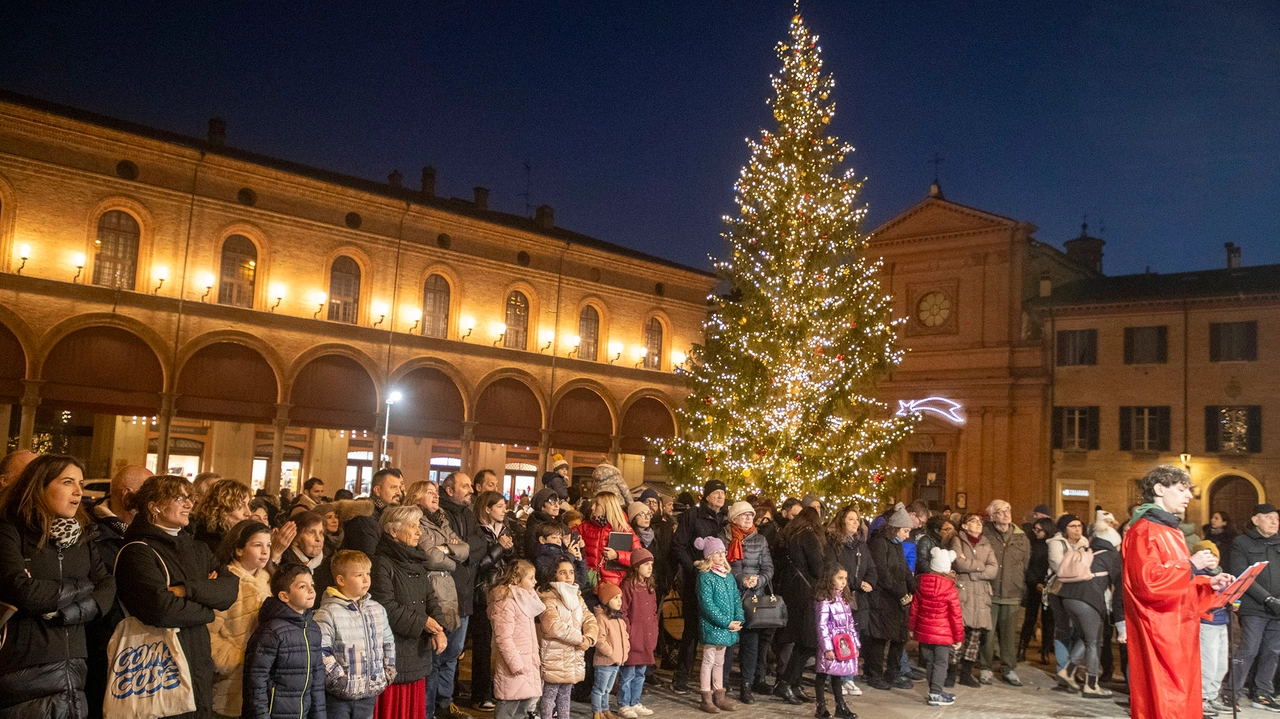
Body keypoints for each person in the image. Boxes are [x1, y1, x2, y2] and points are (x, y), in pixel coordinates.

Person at [0, 453, 116, 719]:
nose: (78, 491)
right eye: (67, 482)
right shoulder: (11, 530)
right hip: (24, 674)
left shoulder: (82, 537)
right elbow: (23, 592)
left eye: (81, 483)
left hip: (74, 671)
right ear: (40, 485)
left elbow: (107, 589)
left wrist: (67, 614)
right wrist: (85, 585)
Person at [115, 474, 239, 719]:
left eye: (190, 498)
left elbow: (229, 590)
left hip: (198, 664)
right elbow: (161, 609)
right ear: (154, 506)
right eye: (180, 498)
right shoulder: (138, 551)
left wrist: (186, 591)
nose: (189, 505)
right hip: (159, 669)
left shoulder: (197, 548)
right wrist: (206, 609)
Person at [1123, 465, 1233, 719]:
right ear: (1160, 489)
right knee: (1168, 699)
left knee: (1182, 696)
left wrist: (1206, 582)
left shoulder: (1170, 530)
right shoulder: (1144, 530)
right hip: (1161, 630)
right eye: (1182, 489)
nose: (1188, 496)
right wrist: (1192, 566)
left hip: (1179, 627)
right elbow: (1147, 583)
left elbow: (1177, 577)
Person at [85, 463, 152, 719]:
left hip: (142, 652)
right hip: (106, 648)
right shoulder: (91, 533)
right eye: (149, 495)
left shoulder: (148, 533)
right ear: (127, 495)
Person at [371, 505, 447, 719]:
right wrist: (424, 622)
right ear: (393, 531)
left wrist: (438, 628)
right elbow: (385, 607)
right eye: (412, 526)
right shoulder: (381, 564)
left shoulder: (416, 560)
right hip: (395, 650)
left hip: (417, 650)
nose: (419, 532)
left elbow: (430, 597)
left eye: (418, 526)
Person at [315, 549, 397, 719]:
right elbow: (321, 650)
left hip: (368, 692)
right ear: (341, 579)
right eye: (359, 575)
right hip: (339, 697)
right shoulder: (328, 612)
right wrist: (339, 680)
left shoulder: (377, 609)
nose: (366, 579)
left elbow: (388, 642)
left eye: (368, 573)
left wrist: (388, 670)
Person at [242, 564, 327, 719]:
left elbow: (317, 682)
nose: (311, 590)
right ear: (284, 596)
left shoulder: (313, 628)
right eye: (302, 586)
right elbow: (255, 682)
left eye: (312, 584)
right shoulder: (271, 631)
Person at [209, 520, 275, 718]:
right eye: (257, 545)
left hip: (263, 679)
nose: (265, 551)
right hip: (231, 683)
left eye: (269, 545)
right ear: (239, 549)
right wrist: (233, 658)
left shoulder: (268, 581)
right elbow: (208, 632)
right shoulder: (227, 582)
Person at [437, 472, 488, 719]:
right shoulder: (440, 514)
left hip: (465, 597)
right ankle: (430, 708)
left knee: (453, 656)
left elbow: (481, 544)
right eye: (465, 486)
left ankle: (445, 704)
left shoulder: (468, 513)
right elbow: (444, 550)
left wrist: (461, 549)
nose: (470, 490)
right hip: (444, 597)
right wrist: (464, 549)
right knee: (438, 655)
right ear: (449, 490)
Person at [1055, 514, 1124, 698]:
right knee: (1095, 642)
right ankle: (1091, 685)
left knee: (1088, 637)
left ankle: (1068, 671)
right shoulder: (1112, 556)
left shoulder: (1088, 550)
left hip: (1068, 598)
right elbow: (1120, 586)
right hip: (1088, 601)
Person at [671, 480, 729, 694]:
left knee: (719, 629)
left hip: (721, 581)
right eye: (716, 493)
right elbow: (678, 546)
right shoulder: (693, 516)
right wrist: (695, 568)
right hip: (697, 579)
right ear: (706, 496)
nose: (720, 497)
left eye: (723, 493)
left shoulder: (725, 519)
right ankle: (681, 678)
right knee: (693, 629)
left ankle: (718, 681)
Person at [1228, 501, 1280, 711]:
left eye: (1277, 519)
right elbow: (1243, 575)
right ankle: (1231, 693)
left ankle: (1263, 693)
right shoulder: (1242, 543)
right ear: (1256, 520)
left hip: (1278, 608)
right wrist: (1268, 599)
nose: (1275, 522)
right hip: (1254, 608)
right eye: (1269, 518)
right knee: (1248, 649)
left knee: (1273, 652)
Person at [721, 500, 773, 704]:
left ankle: (746, 685)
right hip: (731, 597)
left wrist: (758, 580)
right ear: (734, 518)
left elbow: (768, 567)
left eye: (751, 515)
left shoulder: (760, 540)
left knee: (751, 645)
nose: (748, 518)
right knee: (728, 645)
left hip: (754, 598)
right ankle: (722, 684)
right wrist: (740, 580)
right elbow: (722, 566)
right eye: (744, 515)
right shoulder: (724, 538)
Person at [774, 506, 825, 703]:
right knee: (809, 642)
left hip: (790, 589)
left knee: (799, 639)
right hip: (804, 592)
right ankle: (786, 683)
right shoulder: (808, 535)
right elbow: (818, 568)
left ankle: (794, 683)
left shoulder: (788, 534)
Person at [473, 490, 518, 710]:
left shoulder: (505, 529)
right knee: (482, 645)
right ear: (487, 509)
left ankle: (500, 690)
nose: (504, 509)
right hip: (483, 592)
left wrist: (507, 549)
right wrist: (500, 546)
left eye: (504, 505)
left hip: (503, 591)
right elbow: (479, 564)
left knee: (502, 643)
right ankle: (481, 694)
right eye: (499, 506)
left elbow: (512, 559)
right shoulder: (479, 531)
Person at [539, 559, 598, 719]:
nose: (568, 576)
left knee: (565, 695)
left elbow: (589, 618)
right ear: (554, 575)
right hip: (555, 654)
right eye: (563, 572)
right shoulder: (548, 599)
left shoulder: (577, 598)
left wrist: (590, 637)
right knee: (549, 695)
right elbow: (554, 626)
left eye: (571, 572)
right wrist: (580, 639)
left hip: (573, 654)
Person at [980, 499, 1030, 686]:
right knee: (988, 633)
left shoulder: (1021, 537)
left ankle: (1009, 669)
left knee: (1009, 636)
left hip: (1012, 591)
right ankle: (986, 667)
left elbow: (1025, 563)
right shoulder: (986, 535)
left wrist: (1018, 582)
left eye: (1008, 510)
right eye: (1000, 511)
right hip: (990, 591)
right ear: (992, 516)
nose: (1006, 514)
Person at [827, 505, 875, 697]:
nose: (856, 522)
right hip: (841, 596)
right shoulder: (834, 544)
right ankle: (837, 679)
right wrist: (856, 582)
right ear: (842, 522)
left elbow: (871, 567)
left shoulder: (861, 545)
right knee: (839, 638)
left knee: (854, 639)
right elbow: (834, 568)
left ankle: (849, 678)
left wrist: (870, 581)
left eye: (857, 519)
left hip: (858, 598)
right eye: (851, 519)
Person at [488, 560, 544, 719]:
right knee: (508, 708)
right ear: (515, 580)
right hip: (514, 667)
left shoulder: (525, 601)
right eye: (531, 578)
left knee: (522, 708)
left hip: (527, 664)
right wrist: (516, 664)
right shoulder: (506, 602)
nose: (535, 582)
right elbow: (503, 638)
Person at [909, 547, 964, 707]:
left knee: (930, 662)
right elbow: (955, 616)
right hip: (943, 634)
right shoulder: (950, 590)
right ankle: (936, 693)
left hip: (924, 632)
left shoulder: (921, 585)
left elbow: (914, 609)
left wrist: (912, 628)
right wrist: (958, 637)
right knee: (941, 663)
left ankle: (934, 690)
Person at [693, 536, 742, 714]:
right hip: (714, 626)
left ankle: (719, 694)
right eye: (717, 553)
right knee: (708, 660)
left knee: (720, 661)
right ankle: (706, 696)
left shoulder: (728, 577)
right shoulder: (705, 577)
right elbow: (707, 605)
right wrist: (725, 622)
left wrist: (738, 619)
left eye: (722, 552)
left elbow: (736, 599)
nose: (721, 556)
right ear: (708, 556)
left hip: (728, 626)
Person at [949, 512, 998, 688]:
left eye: (979, 521)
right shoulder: (958, 541)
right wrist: (980, 566)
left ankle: (966, 673)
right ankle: (951, 671)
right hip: (964, 593)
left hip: (981, 594)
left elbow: (993, 569)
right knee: (958, 633)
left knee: (974, 636)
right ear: (964, 525)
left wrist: (973, 570)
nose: (977, 524)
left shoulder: (986, 543)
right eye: (973, 521)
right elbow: (959, 564)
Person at [1046, 513, 1089, 678]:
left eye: (1079, 526)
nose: (1077, 530)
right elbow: (1059, 566)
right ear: (1064, 529)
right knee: (1064, 629)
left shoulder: (1085, 543)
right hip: (1060, 591)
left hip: (1080, 592)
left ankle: (1073, 667)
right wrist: (1079, 567)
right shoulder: (1055, 544)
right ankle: (1062, 667)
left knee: (1079, 630)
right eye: (1073, 526)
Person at [814, 565, 859, 719]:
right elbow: (822, 625)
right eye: (840, 578)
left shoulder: (844, 598)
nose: (843, 582)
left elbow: (850, 623)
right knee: (822, 673)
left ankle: (840, 705)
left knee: (837, 675)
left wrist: (855, 644)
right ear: (830, 578)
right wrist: (827, 648)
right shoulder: (824, 600)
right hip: (830, 643)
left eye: (845, 578)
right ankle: (821, 707)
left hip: (842, 643)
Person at [619, 549, 658, 718]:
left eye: (651, 564)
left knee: (640, 673)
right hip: (634, 637)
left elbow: (654, 611)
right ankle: (624, 704)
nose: (650, 568)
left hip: (646, 637)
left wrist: (654, 630)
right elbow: (622, 610)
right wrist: (629, 631)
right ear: (636, 566)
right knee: (628, 674)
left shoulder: (650, 586)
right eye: (646, 564)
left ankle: (635, 701)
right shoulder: (628, 585)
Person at [1194, 541, 1230, 716]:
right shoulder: (1198, 576)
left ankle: (1213, 694)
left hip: (1222, 621)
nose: (1212, 559)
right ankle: (1202, 698)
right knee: (1208, 663)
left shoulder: (1220, 574)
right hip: (1206, 623)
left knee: (1222, 664)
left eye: (1214, 555)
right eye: (1207, 555)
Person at [279, 510, 336, 607]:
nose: (318, 539)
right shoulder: (283, 564)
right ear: (295, 538)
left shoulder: (330, 560)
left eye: (321, 533)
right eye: (311, 532)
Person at [1018, 516, 1056, 664]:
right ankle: (1022, 649)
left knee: (1048, 621)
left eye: (1039, 530)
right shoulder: (1032, 544)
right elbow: (1028, 566)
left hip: (1049, 585)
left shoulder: (1052, 545)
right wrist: (1035, 583)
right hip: (1034, 586)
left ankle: (1045, 651)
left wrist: (1046, 583)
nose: (1035, 532)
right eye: (1035, 529)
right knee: (1030, 619)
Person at [343, 468, 404, 557]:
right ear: (377, 491)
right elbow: (370, 554)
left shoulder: (387, 513)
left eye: (399, 487)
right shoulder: (363, 517)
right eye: (393, 487)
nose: (399, 492)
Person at [592, 582, 632, 719]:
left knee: (608, 689)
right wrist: (611, 653)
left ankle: (605, 710)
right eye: (615, 598)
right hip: (605, 662)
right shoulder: (601, 619)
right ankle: (597, 712)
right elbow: (600, 639)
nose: (619, 601)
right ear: (606, 600)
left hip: (616, 662)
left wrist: (625, 651)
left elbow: (625, 637)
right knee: (599, 689)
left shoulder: (619, 620)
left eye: (620, 598)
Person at [191, 478, 254, 554]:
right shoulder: (208, 540)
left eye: (247, 505)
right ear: (222, 508)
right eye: (241, 505)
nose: (248, 513)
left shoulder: (238, 536)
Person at [523, 487, 564, 559]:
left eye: (558, 502)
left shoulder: (561, 524)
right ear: (541, 505)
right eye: (552, 502)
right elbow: (532, 554)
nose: (557, 505)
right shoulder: (535, 527)